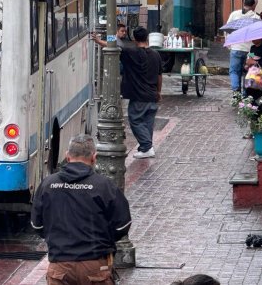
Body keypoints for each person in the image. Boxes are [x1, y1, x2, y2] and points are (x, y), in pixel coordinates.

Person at [31, 134, 132, 285]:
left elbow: (37, 225)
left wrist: (59, 239)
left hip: (60, 265)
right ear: (94, 157)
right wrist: (103, 239)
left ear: (67, 156)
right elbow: (122, 225)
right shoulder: (103, 185)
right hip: (95, 266)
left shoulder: (48, 184)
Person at [121, 26, 163, 158]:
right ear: (147, 38)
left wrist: (99, 41)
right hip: (152, 95)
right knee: (148, 123)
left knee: (135, 120)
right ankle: (146, 148)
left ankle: (146, 147)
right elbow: (159, 76)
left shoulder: (131, 53)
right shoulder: (156, 54)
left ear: (134, 39)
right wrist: (158, 92)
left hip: (139, 96)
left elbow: (113, 45)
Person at [226, 0, 259, 93]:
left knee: (234, 71)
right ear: (253, 6)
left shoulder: (234, 14)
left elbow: (228, 30)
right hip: (250, 51)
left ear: (243, 3)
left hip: (236, 48)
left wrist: (229, 45)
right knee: (249, 71)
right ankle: (245, 94)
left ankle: (236, 90)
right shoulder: (256, 18)